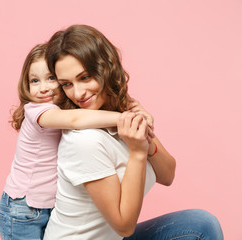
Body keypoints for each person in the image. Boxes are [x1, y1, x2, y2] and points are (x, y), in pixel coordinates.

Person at [43, 24, 223, 240]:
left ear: (105, 67)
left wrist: (144, 136)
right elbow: (124, 226)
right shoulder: (84, 141)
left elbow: (168, 175)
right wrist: (137, 152)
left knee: (201, 223)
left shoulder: (118, 113)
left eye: (85, 77)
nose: (78, 93)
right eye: (67, 84)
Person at [0, 43, 141, 240]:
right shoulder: (37, 111)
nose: (43, 88)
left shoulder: (62, 109)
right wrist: (125, 118)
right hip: (23, 207)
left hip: (46, 205)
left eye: (51, 79)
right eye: (34, 81)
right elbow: (77, 120)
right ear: (26, 85)